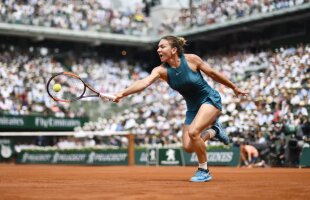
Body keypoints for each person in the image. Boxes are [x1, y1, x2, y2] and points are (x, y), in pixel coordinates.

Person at [110, 35, 248, 182]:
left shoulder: (191, 59)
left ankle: (204, 170)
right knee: (188, 147)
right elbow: (143, 83)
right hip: (192, 107)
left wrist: (234, 87)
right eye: (158, 47)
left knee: (193, 132)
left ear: (174, 49)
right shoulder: (160, 70)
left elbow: (213, 74)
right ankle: (215, 131)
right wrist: (122, 93)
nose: (158, 50)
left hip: (209, 100)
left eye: (162, 46)